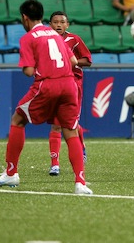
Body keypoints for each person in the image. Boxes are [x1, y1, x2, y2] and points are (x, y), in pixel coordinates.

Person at [0, 0, 92, 195]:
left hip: (48, 84)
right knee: (70, 131)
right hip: (70, 85)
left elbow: (28, 71)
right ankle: (80, 182)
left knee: (17, 119)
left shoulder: (29, 37)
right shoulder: (57, 35)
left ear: (24, 18)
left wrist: (39, 63)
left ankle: (11, 172)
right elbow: (72, 61)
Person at [47, 11, 92, 176]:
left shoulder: (74, 40)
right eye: (55, 22)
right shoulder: (45, 40)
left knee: (71, 123)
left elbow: (87, 60)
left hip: (73, 85)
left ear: (67, 25)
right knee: (56, 124)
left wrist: (70, 61)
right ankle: (55, 164)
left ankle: (81, 149)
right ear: (50, 24)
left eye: (62, 22)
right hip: (53, 84)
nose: (58, 25)